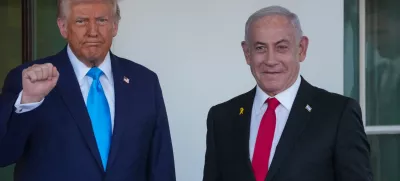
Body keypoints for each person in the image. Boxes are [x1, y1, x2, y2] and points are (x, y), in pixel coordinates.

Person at [0, 0, 176, 180]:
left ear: (114, 26)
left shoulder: (145, 82)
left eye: (102, 20)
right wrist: (29, 101)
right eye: (81, 21)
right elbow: (3, 154)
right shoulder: (27, 80)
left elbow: (161, 166)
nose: (93, 32)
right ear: (63, 27)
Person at [202, 5, 372, 181]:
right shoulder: (221, 117)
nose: (270, 60)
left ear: (301, 49)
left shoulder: (338, 114)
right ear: (247, 53)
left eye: (281, 47)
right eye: (260, 48)